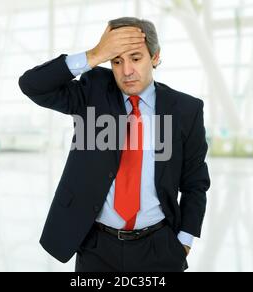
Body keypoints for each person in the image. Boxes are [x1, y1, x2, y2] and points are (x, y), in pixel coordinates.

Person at [19, 17, 211, 272]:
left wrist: (184, 241)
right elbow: (32, 85)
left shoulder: (187, 110)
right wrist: (94, 54)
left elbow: (195, 183)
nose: (127, 71)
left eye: (135, 58)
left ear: (155, 57)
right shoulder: (92, 93)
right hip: (97, 247)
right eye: (117, 61)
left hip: (159, 247)